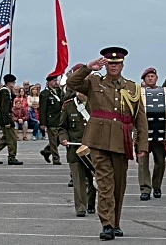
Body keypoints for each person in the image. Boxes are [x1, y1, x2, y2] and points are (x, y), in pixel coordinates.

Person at [66, 46, 148, 240]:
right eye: (110, 63)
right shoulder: (94, 81)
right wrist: (88, 67)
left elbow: (140, 118)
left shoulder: (132, 88)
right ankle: (107, 224)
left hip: (121, 140)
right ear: (105, 65)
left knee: (119, 185)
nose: (113, 66)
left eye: (117, 63)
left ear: (122, 65)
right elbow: (72, 83)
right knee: (104, 183)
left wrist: (142, 145)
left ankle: (116, 222)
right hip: (99, 139)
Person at [59, 91, 97, 217]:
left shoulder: (96, 103)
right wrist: (63, 139)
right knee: (78, 180)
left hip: (92, 148)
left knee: (93, 177)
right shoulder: (68, 105)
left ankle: (90, 203)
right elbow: (62, 127)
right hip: (75, 148)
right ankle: (81, 207)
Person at [137, 67, 166, 201]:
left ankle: (157, 186)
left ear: (156, 78)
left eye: (152, 76)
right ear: (143, 79)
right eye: (148, 76)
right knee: (143, 162)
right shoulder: (137, 93)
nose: (150, 78)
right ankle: (145, 189)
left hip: (160, 132)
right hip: (143, 133)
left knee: (160, 162)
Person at [0, 74, 24, 165]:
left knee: (6, 138)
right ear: (9, 82)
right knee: (12, 139)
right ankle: (11, 157)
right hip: (5, 118)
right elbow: (4, 108)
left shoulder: (7, 91)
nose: (14, 84)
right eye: (13, 82)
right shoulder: (5, 92)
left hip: (4, 117)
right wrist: (7, 121)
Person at [38, 72, 64, 165]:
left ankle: (46, 151)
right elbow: (42, 109)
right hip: (51, 120)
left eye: (56, 80)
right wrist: (42, 123)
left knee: (59, 139)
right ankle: (56, 158)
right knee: (53, 141)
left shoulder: (59, 92)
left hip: (60, 119)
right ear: (48, 82)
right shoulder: (44, 94)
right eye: (53, 81)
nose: (55, 82)